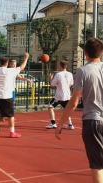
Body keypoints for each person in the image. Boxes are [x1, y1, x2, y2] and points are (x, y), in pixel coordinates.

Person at [55, 38, 103, 183]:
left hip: (93, 121)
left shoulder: (83, 71)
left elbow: (74, 101)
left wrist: (60, 123)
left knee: (97, 165)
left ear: (85, 53)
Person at [0, 51, 29, 139]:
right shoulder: (11, 70)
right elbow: (22, 67)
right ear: (7, 63)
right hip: (7, 96)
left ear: (0, 63)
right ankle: (12, 132)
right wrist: (26, 58)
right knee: (10, 115)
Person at [45, 60, 74, 129]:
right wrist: (65, 86)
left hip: (59, 96)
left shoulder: (58, 74)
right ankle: (70, 125)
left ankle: (53, 123)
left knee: (50, 106)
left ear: (60, 66)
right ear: (66, 66)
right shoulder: (70, 74)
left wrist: (50, 79)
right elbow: (71, 83)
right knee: (66, 109)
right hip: (67, 95)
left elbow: (52, 85)